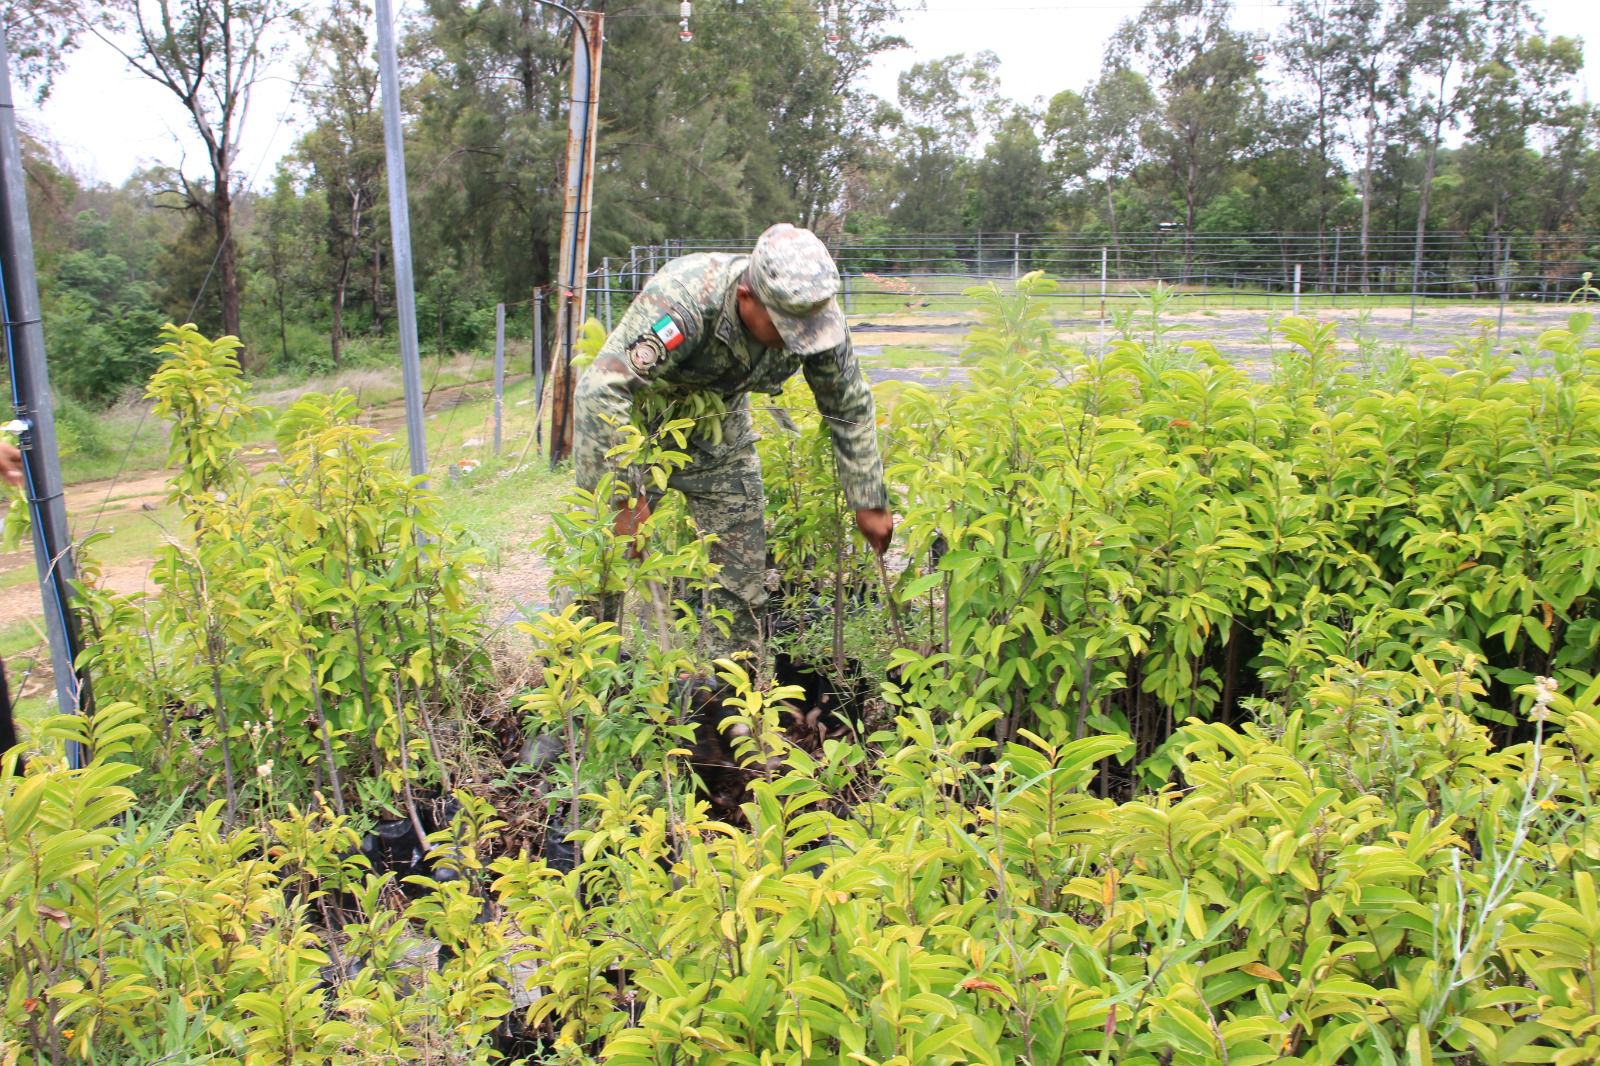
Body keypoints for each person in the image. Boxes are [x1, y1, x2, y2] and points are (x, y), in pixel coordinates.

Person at [573, 223, 891, 666]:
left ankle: (735, 699)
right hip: (639, 429)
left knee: (742, 574)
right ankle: (581, 691)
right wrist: (623, 497)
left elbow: (847, 402)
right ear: (746, 298)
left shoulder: (814, 319)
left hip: (719, 426)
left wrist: (867, 497)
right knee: (602, 558)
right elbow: (600, 390)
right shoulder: (684, 301)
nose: (799, 339)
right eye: (785, 326)